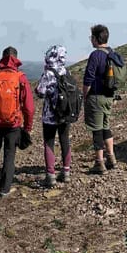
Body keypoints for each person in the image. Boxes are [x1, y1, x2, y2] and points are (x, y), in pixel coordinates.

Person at [0, 47, 35, 198]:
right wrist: (27, 128)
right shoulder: (20, 77)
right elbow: (29, 107)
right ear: (16, 58)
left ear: (2, 57)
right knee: (9, 156)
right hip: (14, 125)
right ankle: (4, 190)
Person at [82, 25, 125, 174]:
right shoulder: (112, 53)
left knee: (97, 130)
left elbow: (88, 79)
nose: (91, 40)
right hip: (109, 97)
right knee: (106, 127)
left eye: (91, 37)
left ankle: (99, 163)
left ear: (95, 38)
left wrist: (84, 96)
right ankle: (111, 158)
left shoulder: (95, 55)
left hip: (96, 97)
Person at [36, 45, 73, 189]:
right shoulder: (66, 71)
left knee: (49, 142)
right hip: (65, 113)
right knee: (65, 140)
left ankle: (50, 175)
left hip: (50, 115)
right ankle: (66, 171)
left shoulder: (48, 73)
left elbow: (40, 91)